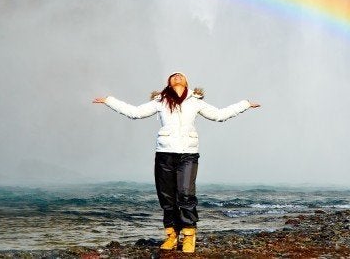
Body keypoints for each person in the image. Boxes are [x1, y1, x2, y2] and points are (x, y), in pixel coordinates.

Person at [93, 72, 260, 253]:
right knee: (167, 197)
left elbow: (219, 115)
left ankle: (189, 235)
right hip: (164, 153)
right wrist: (109, 101)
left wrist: (244, 105)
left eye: (180, 75)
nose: (177, 77)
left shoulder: (195, 101)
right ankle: (171, 235)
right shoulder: (160, 101)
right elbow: (135, 113)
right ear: (168, 82)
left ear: (187, 81)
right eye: (173, 76)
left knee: (186, 194)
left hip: (188, 154)